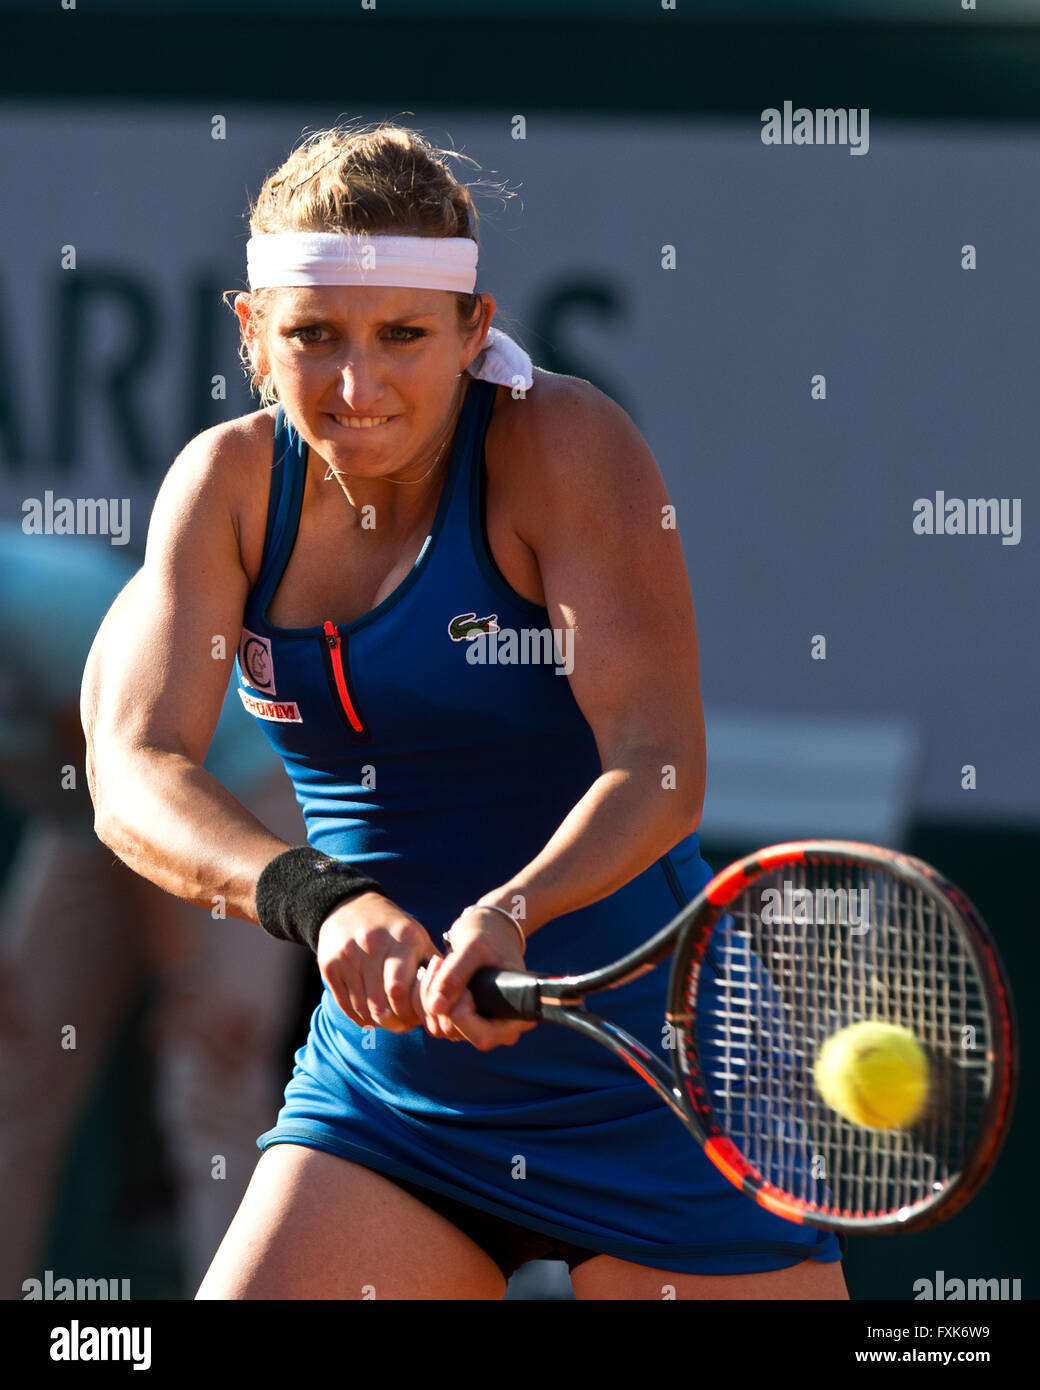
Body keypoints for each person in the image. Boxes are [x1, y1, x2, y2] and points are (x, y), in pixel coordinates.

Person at [82, 121, 849, 1300]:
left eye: (403, 336)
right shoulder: (226, 487)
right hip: (392, 1104)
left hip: (654, 1078)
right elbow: (133, 770)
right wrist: (317, 901)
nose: (357, 384)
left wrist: (513, 910)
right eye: (312, 337)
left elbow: (656, 766)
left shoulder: (565, 444)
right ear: (249, 328)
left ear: (473, 329)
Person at [0, 524, 308, 1298]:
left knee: (208, 1066)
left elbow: (133, 798)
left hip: (232, 786)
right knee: (15, 1059)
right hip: (81, 815)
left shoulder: (42, 605)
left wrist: (182, 980)